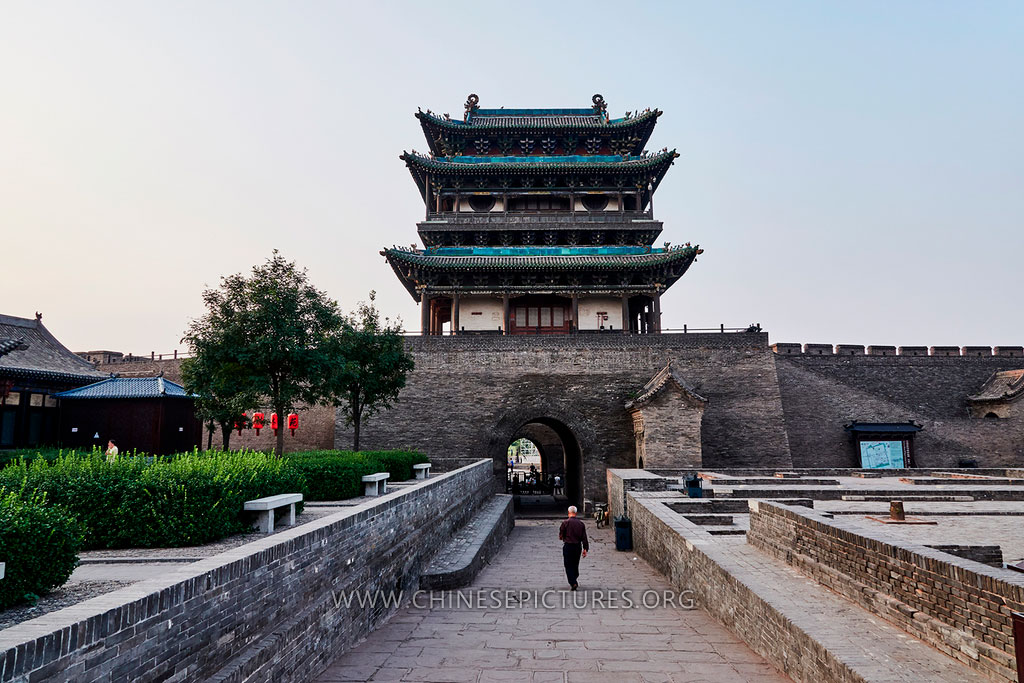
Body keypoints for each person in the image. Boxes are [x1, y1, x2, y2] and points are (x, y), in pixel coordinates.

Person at [558, 505, 589, 590]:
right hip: (577, 547)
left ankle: (573, 582)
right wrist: (585, 549)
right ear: (576, 513)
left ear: (568, 513)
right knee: (575, 564)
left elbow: (561, 536)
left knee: (568, 565)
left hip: (568, 546)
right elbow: (584, 538)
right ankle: (574, 578)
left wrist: (563, 537)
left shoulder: (565, 523)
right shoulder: (581, 524)